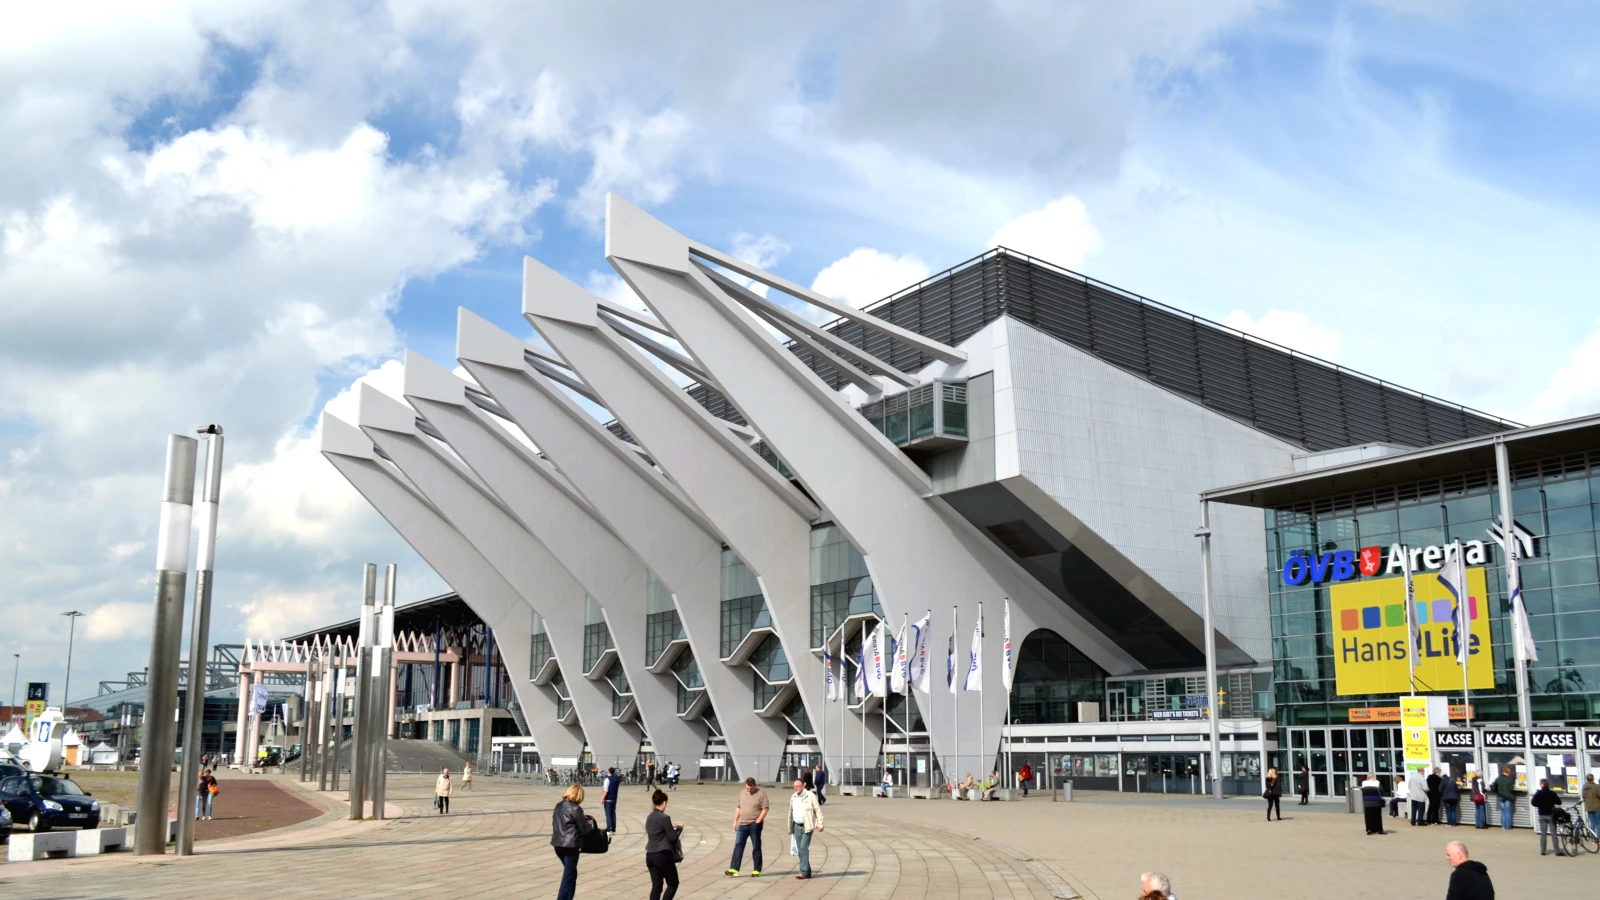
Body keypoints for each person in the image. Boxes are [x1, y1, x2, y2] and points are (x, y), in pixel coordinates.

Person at [551, 784, 593, 900]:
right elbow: (584, 830)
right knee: (568, 876)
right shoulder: (576, 808)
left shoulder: (558, 806)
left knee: (571, 873)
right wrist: (590, 824)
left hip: (558, 844)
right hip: (571, 846)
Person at [726, 776, 769, 877]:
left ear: (754, 785)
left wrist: (758, 820)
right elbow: (738, 807)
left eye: (750, 788)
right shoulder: (742, 793)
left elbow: (765, 808)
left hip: (755, 824)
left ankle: (757, 870)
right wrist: (735, 821)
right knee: (738, 845)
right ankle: (734, 869)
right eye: (747, 788)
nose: (748, 790)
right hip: (743, 824)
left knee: (756, 846)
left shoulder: (761, 794)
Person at [644, 789, 681, 900]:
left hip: (650, 855)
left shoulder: (649, 817)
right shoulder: (664, 818)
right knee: (673, 883)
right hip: (662, 855)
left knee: (657, 886)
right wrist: (679, 829)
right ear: (664, 803)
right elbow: (673, 838)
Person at [789, 776, 825, 879]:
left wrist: (820, 824)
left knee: (804, 847)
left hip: (807, 825)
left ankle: (803, 871)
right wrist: (790, 827)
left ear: (803, 786)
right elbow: (790, 813)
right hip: (797, 825)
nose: (796, 788)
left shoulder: (810, 796)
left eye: (797, 786)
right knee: (800, 849)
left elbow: (817, 810)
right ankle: (808, 871)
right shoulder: (793, 797)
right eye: (794, 786)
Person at [1530, 778, 1567, 856]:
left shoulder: (1538, 793)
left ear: (1542, 785)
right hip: (1551, 815)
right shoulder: (1552, 793)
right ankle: (1557, 851)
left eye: (1540, 783)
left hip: (1542, 815)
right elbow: (1559, 802)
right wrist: (1551, 802)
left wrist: (1540, 804)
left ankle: (1543, 851)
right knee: (1554, 834)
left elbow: (1533, 803)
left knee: (1543, 834)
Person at [601, 766, 622, 834]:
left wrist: (602, 798)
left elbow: (605, 790)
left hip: (608, 799)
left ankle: (609, 828)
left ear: (609, 771)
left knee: (608, 814)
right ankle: (613, 829)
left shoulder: (607, 779)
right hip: (614, 798)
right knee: (613, 814)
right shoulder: (616, 779)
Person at [1584, 774, 1600, 840]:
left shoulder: (1584, 786)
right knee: (1598, 823)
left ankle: (1593, 839)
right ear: (1592, 778)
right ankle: (1598, 838)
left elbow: (1583, 796)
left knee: (1592, 823)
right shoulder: (1596, 786)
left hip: (1589, 808)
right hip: (1597, 807)